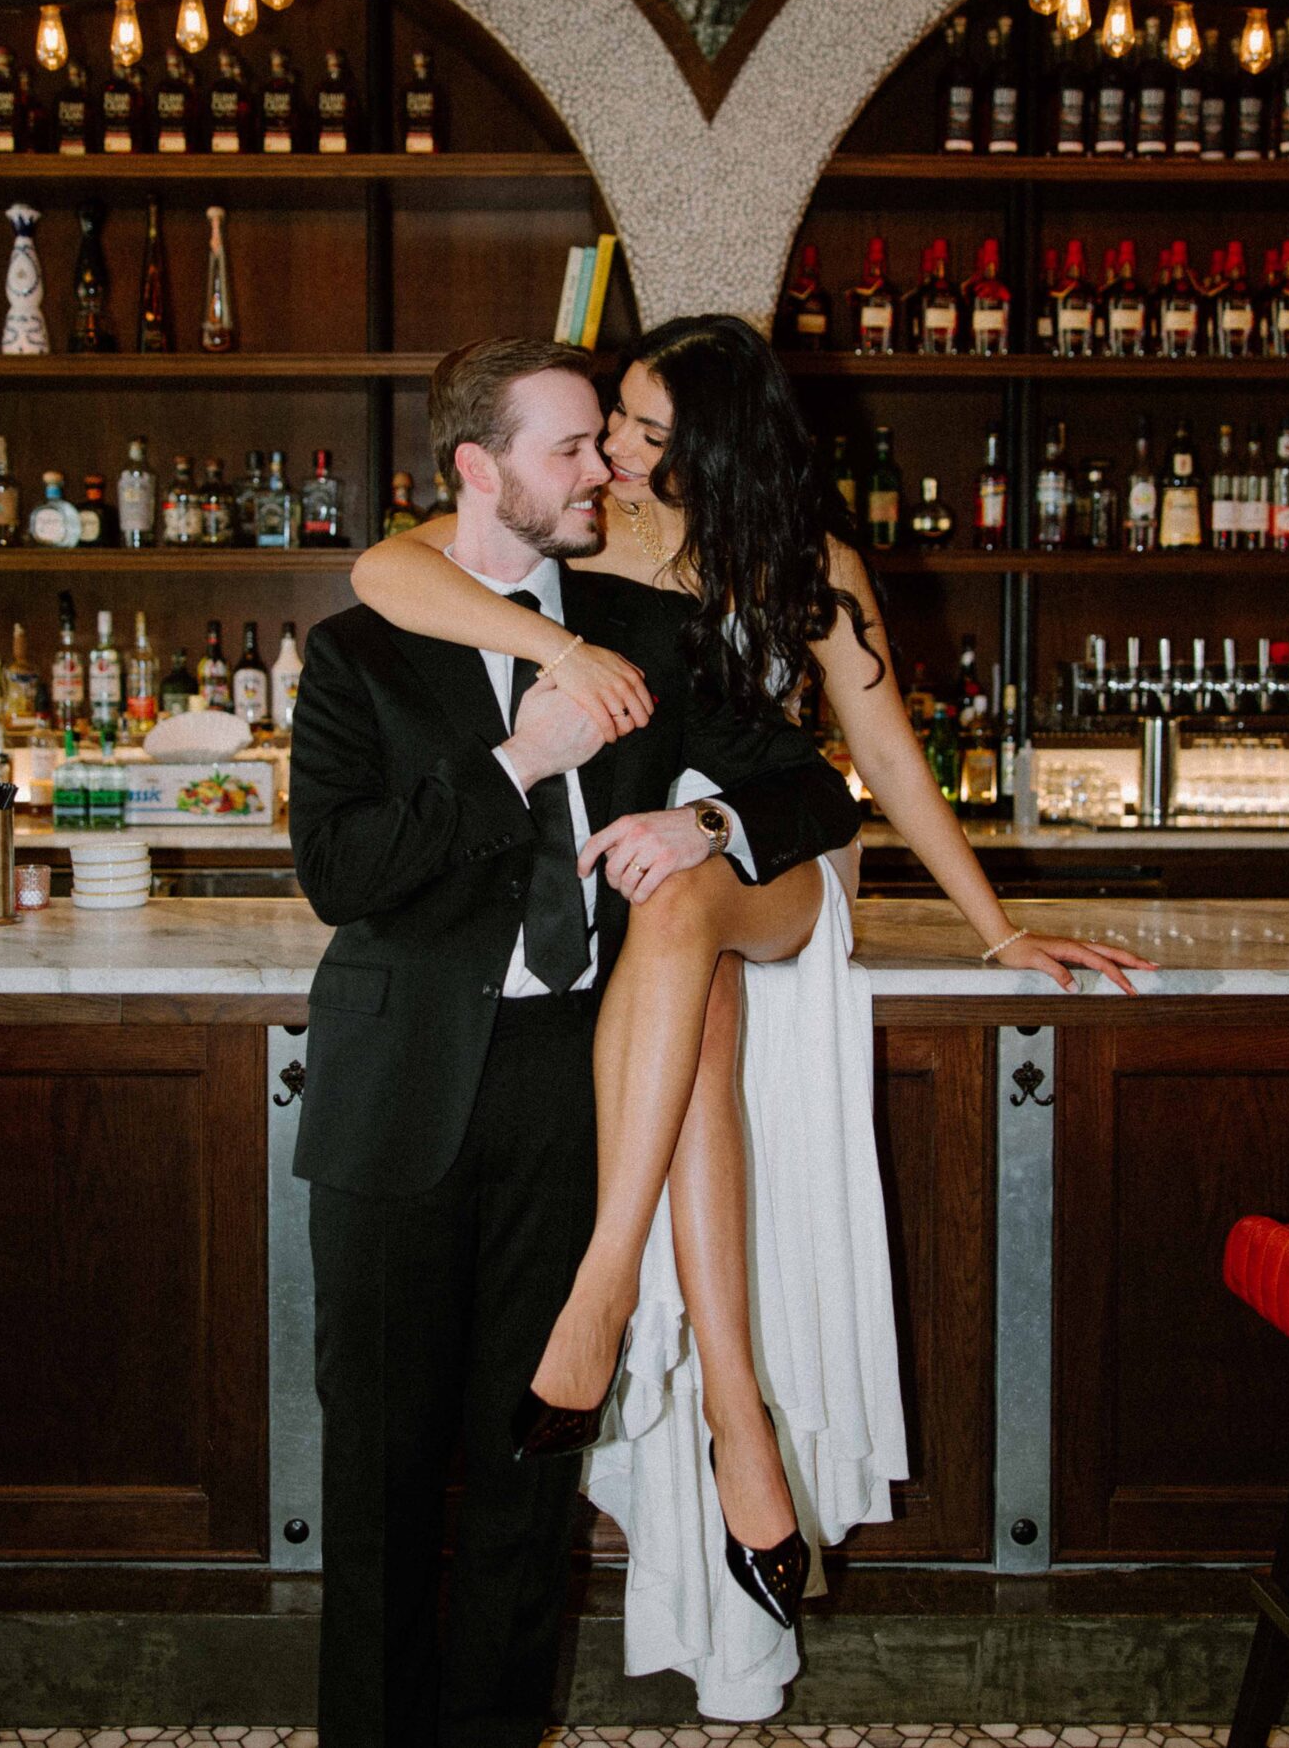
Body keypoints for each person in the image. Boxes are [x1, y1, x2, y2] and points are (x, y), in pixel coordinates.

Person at [351, 313, 1156, 1720]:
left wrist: (997, 923)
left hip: (783, 872)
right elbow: (384, 568)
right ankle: (735, 1415)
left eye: (652, 432)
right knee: (675, 926)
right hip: (671, 895)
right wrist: (544, 641)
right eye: (615, 431)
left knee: (694, 895)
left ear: (724, 438)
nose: (619, 454)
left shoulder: (818, 568)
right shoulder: (591, 543)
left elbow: (886, 763)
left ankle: (598, 1297)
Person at [287, 335, 865, 1748]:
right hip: (391, 1106)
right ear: (481, 471)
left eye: (608, 437)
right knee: (377, 1480)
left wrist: (705, 823)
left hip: (571, 1101)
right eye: (572, 447)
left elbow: (814, 787)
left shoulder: (646, 635)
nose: (607, 465)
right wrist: (518, 764)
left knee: (525, 1485)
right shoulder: (360, 652)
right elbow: (342, 876)